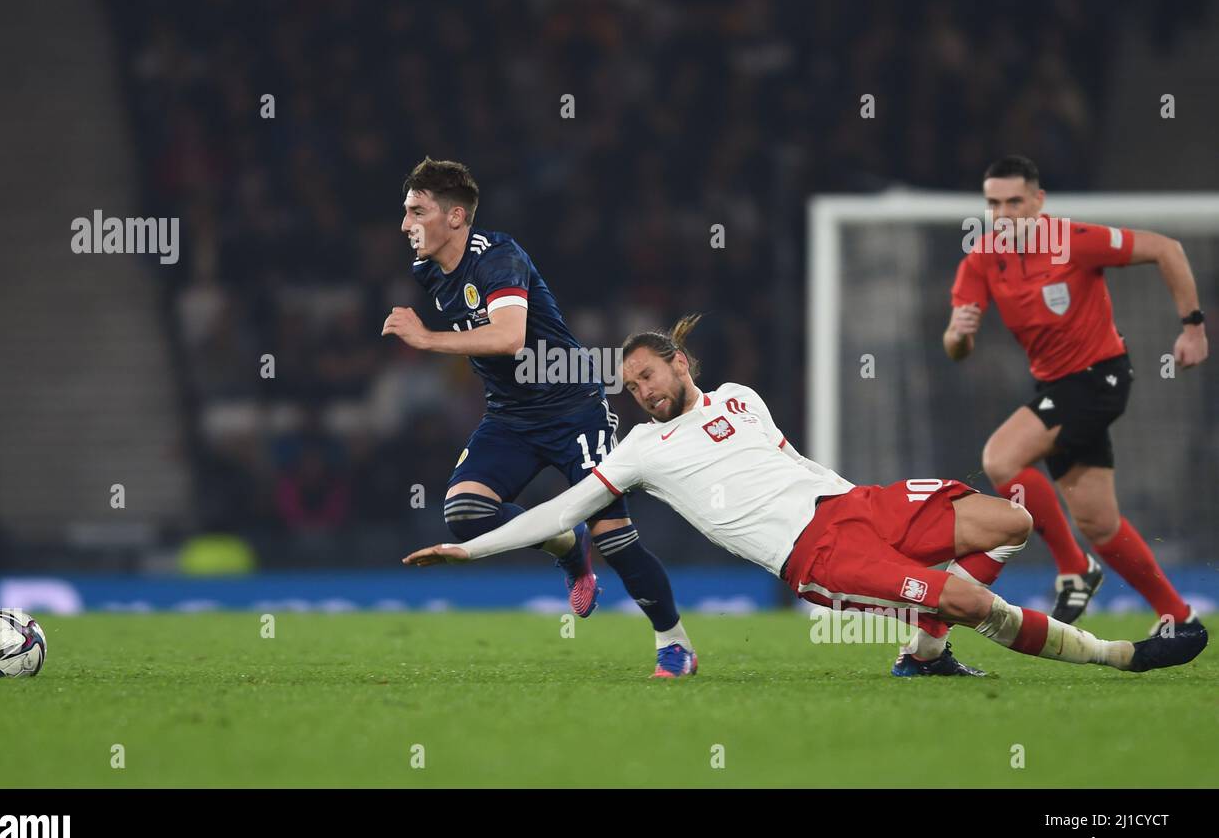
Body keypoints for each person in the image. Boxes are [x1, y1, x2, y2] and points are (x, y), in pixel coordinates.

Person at [404, 314, 1208, 678]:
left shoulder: (742, 397)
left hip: (855, 505)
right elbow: (558, 512)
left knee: (1012, 521)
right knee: (967, 600)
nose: (640, 392)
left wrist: (873, 509)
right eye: (630, 386)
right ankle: (1125, 657)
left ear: (680, 366)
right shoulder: (640, 450)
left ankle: (923, 653)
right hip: (815, 552)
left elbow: (789, 463)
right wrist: (469, 545)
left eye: (648, 376)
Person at [382, 158, 695, 677]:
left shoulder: (499, 256)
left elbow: (509, 337)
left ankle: (674, 643)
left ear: (456, 216)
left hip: (574, 410)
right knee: (464, 514)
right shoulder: (428, 272)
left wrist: (426, 338)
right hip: (509, 417)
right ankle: (568, 547)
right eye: (405, 211)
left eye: (417, 210)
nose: (405, 224)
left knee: (615, 535)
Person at [946, 155, 1207, 632]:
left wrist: (1193, 329)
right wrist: (960, 333)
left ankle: (1073, 568)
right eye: (993, 203)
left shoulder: (1074, 240)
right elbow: (955, 348)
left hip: (1099, 377)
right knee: (1100, 524)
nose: (1003, 213)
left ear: (1038, 201)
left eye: (1014, 202)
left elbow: (1166, 249)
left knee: (1001, 458)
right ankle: (1178, 615)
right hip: (1054, 386)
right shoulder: (982, 260)